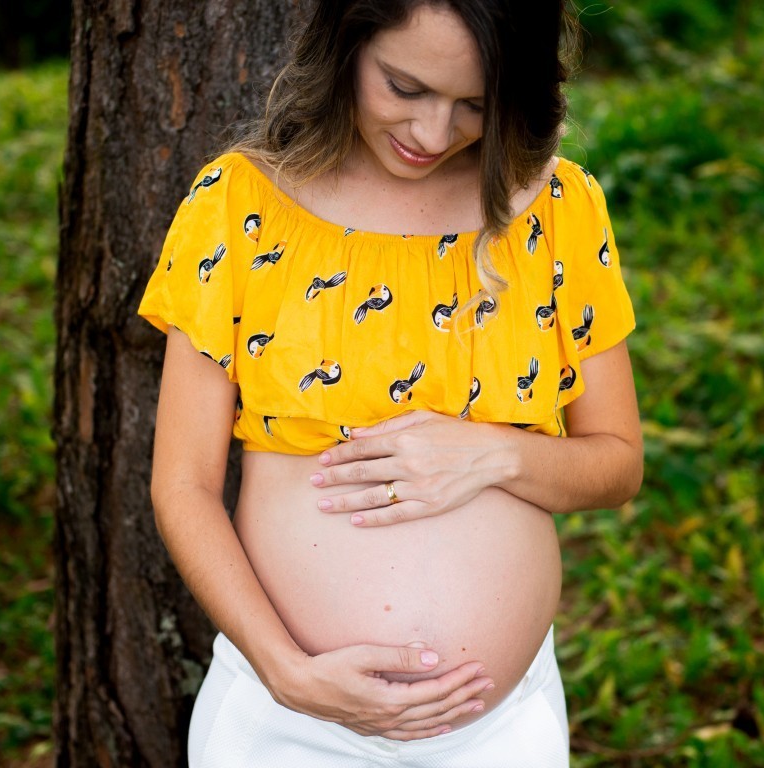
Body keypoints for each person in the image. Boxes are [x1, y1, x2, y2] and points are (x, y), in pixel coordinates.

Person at [137, 0, 642, 765]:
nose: (432, 135)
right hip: (287, 724)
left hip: (495, 733)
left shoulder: (556, 210)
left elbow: (617, 465)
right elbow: (182, 485)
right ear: (347, 44)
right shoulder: (239, 205)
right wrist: (286, 673)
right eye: (405, 88)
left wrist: (495, 455)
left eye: (474, 104)